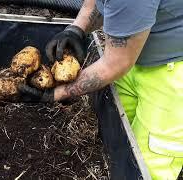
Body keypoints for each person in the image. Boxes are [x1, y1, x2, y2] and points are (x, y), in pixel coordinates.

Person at [19, 0, 183, 179]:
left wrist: (55, 94)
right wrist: (76, 29)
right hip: (133, 53)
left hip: (172, 75)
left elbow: (115, 64)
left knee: (147, 165)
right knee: (119, 139)